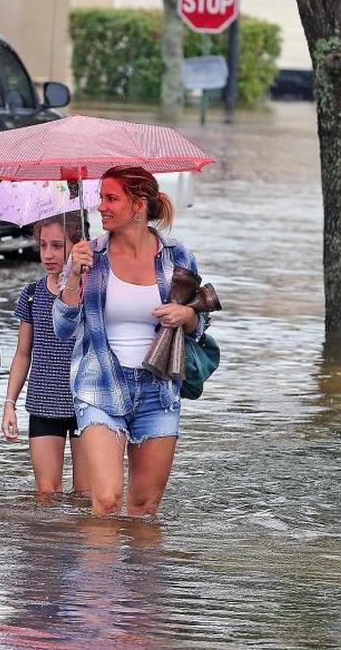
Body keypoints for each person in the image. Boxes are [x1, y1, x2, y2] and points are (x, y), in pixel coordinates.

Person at [54, 166, 206, 517]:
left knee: (145, 507)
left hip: (159, 388)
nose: (101, 206)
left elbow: (200, 321)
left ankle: (140, 576)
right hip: (99, 385)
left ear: (138, 204)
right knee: (106, 501)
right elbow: (62, 328)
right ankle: (99, 575)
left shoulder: (177, 256)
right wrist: (74, 274)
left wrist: (187, 316)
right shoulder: (89, 256)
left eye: (111, 199)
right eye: (100, 198)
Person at [2, 214, 89, 495]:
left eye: (57, 246)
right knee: (46, 494)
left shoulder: (92, 293)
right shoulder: (32, 294)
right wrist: (9, 403)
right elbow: (23, 354)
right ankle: (44, 542)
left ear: (76, 246)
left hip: (86, 405)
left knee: (86, 495)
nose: (48, 254)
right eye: (43, 246)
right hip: (43, 403)